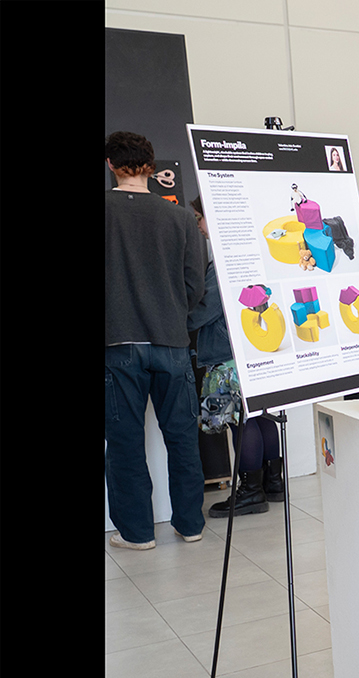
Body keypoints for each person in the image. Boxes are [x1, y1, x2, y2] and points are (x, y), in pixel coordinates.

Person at [105, 131, 208, 550]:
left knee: (125, 441)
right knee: (182, 436)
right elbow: (194, 286)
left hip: (117, 344)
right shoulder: (181, 217)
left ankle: (137, 533)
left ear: (111, 164)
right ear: (151, 167)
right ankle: (190, 524)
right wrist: (171, 313)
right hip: (172, 342)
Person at [187, 198, 283, 518]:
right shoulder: (254, 257)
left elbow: (205, 310)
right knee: (261, 414)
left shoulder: (223, 263)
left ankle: (250, 491)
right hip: (254, 346)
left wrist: (178, 319)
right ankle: (273, 482)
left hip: (225, 355)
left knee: (239, 420)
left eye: (200, 218)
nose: (199, 225)